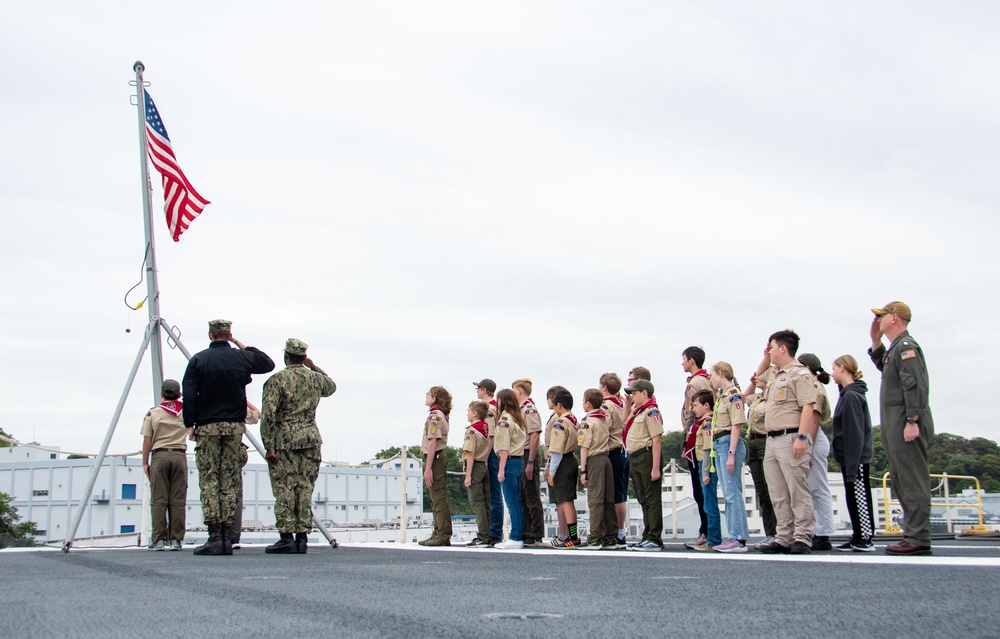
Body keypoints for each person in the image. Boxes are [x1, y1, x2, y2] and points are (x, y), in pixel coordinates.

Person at [183, 319, 275, 556]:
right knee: (231, 480)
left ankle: (215, 536)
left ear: (210, 335)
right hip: (235, 427)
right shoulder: (241, 358)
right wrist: (240, 344)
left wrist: (189, 425)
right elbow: (267, 363)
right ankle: (228, 536)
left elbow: (190, 394)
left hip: (207, 426)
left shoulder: (199, 360)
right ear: (229, 334)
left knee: (211, 480)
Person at [869, 301, 934, 556]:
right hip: (895, 419)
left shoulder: (907, 347)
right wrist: (875, 340)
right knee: (901, 477)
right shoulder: (895, 349)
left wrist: (912, 421)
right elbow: (885, 367)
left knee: (912, 479)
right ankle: (913, 534)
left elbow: (914, 385)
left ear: (894, 318)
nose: (879, 320)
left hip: (905, 419)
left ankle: (917, 536)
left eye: (882, 316)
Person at [260, 339, 337, 554]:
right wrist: (313, 366)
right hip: (310, 439)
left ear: (286, 356)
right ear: (303, 357)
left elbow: (268, 416)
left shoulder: (276, 380)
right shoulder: (315, 379)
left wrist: (269, 445)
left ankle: (286, 536)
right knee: (305, 488)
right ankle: (302, 536)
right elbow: (331, 387)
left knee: (285, 487)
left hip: (285, 441)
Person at [756, 330, 817, 555]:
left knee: (797, 489)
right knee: (778, 492)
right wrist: (765, 356)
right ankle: (784, 536)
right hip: (771, 439)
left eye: (772, 347)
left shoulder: (798, 374)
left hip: (791, 436)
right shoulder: (774, 374)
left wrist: (802, 437)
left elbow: (808, 406)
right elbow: (756, 377)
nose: (769, 351)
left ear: (783, 348)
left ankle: (802, 536)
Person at [831, 355, 876, 552]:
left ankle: (865, 537)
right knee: (853, 496)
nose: (832, 373)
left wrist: (852, 462)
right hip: (850, 457)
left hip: (855, 457)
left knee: (859, 495)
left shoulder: (851, 396)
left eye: (834, 369)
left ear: (842, 368)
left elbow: (854, 432)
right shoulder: (848, 394)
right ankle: (858, 535)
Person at [140, 379, 188, 551]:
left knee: (159, 499)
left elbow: (147, 440)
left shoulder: (153, 414)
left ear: (162, 394)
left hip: (159, 456)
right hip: (180, 456)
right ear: (179, 394)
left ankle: (159, 539)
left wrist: (145, 462)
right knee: (177, 499)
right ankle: (176, 539)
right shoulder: (186, 411)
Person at [708, 362, 750, 553]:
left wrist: (731, 454)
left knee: (732, 492)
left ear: (721, 373)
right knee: (728, 492)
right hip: (719, 443)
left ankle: (738, 537)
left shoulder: (733, 395)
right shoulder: (722, 396)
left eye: (712, 376)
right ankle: (734, 535)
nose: (711, 379)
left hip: (727, 443)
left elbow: (736, 425)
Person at [797, 353, 837, 552]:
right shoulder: (809, 385)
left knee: (817, 487)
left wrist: (807, 446)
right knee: (810, 488)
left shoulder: (814, 387)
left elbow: (813, 420)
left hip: (813, 437)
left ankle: (824, 532)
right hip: (809, 438)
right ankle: (817, 530)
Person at [623, 378, 664, 551]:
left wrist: (655, 467)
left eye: (634, 393)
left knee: (652, 499)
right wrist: (627, 405)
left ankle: (654, 537)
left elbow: (656, 440)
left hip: (647, 456)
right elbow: (624, 424)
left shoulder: (650, 411)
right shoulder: (637, 411)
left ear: (644, 393)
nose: (632, 396)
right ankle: (647, 535)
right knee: (643, 499)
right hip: (636, 457)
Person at [680, 348, 711, 550]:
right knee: (701, 487)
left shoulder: (696, 382)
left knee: (700, 488)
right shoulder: (705, 379)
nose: (682, 363)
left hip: (697, 437)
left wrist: (687, 439)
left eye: (683, 360)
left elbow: (692, 413)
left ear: (691, 361)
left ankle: (706, 531)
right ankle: (707, 530)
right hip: (700, 436)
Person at [743, 375, 777, 549]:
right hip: (753, 442)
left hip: (766, 440)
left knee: (772, 488)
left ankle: (779, 532)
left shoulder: (773, 396)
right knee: (761, 492)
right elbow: (743, 398)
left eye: (761, 376)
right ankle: (769, 533)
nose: (757, 377)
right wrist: (752, 382)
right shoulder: (757, 398)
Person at [579, 389, 616, 549]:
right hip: (606, 458)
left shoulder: (588, 421)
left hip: (594, 460)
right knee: (608, 499)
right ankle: (610, 535)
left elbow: (584, 447)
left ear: (588, 403)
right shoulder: (603, 419)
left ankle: (595, 536)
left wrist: (583, 469)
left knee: (595, 499)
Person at [512, 379, 545, 547]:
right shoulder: (520, 410)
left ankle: (537, 532)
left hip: (527, 453)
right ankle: (527, 530)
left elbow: (535, 435)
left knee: (531, 494)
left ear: (519, 391)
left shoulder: (529, 409)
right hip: (520, 453)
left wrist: (530, 462)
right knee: (522, 495)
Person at [419, 386, 453, 546]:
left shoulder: (435, 416)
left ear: (434, 398)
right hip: (435, 457)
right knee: (435, 499)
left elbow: (433, 442)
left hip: (435, 458)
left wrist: (428, 468)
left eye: (428, 395)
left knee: (438, 498)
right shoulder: (440, 414)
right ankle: (438, 532)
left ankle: (443, 535)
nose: (426, 397)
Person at [494, 388, 527, 549]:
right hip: (519, 460)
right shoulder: (517, 418)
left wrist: (501, 470)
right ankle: (517, 535)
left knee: (511, 502)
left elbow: (504, 447)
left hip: (509, 461)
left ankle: (515, 537)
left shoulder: (504, 420)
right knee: (516, 501)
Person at [547, 389, 580, 548]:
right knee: (569, 500)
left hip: (563, 462)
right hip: (572, 459)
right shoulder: (574, 419)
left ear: (559, 405)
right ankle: (573, 535)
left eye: (555, 407)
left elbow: (557, 450)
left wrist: (551, 472)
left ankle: (572, 537)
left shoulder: (560, 423)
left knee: (565, 501)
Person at [599, 373, 628, 548]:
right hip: (622, 449)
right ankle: (621, 531)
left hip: (611, 450)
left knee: (612, 495)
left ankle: (615, 532)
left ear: (604, 387)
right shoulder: (621, 404)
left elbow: (604, 427)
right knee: (620, 494)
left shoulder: (606, 406)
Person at [474, 379, 504, 547]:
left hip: (490, 453)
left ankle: (495, 531)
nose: (477, 391)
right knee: (491, 493)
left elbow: (490, 435)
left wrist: (485, 456)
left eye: (478, 388)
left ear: (484, 390)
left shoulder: (490, 409)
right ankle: (493, 530)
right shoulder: (492, 408)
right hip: (490, 453)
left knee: (494, 493)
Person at [691, 389, 720, 552]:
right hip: (704, 463)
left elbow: (708, 448)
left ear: (706, 405)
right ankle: (711, 538)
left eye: (696, 405)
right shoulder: (703, 422)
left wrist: (705, 472)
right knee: (708, 503)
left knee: (709, 504)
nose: (693, 408)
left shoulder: (708, 423)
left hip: (706, 464)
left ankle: (713, 539)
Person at [230, 400, 260, 549]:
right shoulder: (236, 405)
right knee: (235, 495)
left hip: (214, 453)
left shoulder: (209, 400)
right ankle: (234, 536)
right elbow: (257, 415)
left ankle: (216, 533)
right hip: (234, 454)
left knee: (213, 491)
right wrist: (244, 400)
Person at [462, 401, 492, 547]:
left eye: (468, 411)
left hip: (474, 467)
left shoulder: (472, 431)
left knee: (477, 502)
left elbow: (470, 453)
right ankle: (489, 533)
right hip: (483, 465)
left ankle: (482, 536)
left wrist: (468, 475)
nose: (467, 413)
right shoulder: (485, 427)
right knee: (486, 501)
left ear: (474, 413)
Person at [543, 385, 569, 542]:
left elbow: (555, 446)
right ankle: (566, 533)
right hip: (562, 459)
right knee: (563, 500)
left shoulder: (556, 419)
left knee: (560, 500)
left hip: (557, 461)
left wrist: (550, 468)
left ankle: (563, 534)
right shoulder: (564, 417)